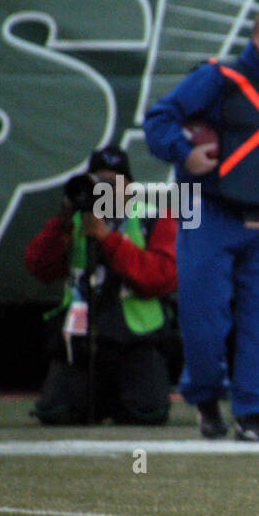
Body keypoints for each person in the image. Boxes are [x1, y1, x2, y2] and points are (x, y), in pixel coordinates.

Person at [144, 0, 259, 443]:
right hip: (207, 208)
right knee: (204, 318)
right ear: (255, 33)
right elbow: (159, 118)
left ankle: (255, 415)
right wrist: (185, 154)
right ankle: (205, 400)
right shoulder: (219, 76)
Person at [25, 146, 176, 425]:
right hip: (81, 343)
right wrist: (64, 218)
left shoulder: (153, 217)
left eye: (113, 182)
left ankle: (118, 399)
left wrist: (107, 238)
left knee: (147, 413)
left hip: (135, 340)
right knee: (55, 413)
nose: (106, 190)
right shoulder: (75, 222)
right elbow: (39, 267)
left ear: (131, 187)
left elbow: (162, 278)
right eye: (99, 182)